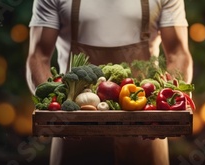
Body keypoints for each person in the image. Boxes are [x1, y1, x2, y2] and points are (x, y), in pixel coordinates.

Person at [25, 0, 193, 164]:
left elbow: (178, 53)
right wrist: (54, 109)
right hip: (73, 129)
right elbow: (38, 56)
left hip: (147, 130)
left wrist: (168, 110)